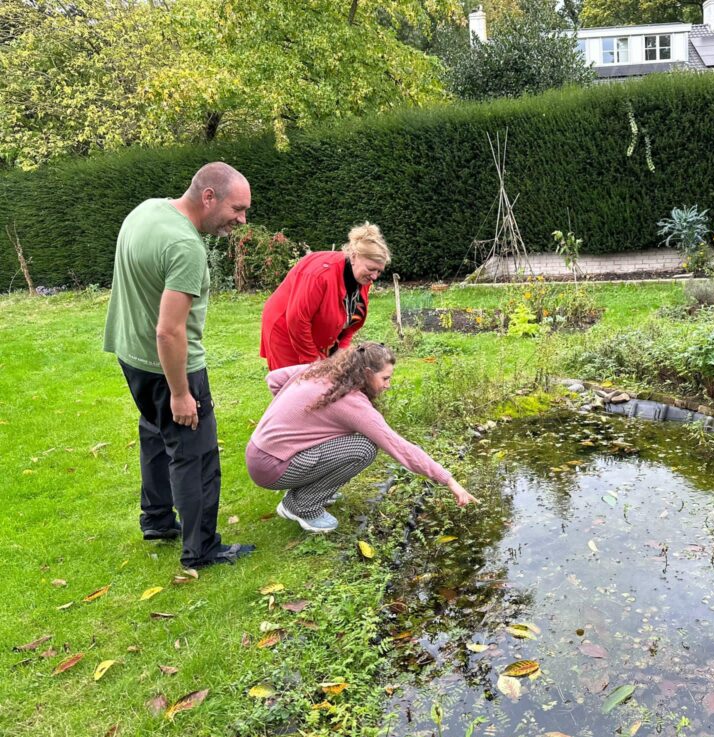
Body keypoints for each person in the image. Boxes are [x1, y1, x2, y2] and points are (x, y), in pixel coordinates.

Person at [103, 162, 255, 568]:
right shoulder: (186, 247)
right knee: (196, 453)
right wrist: (181, 393)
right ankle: (201, 549)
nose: (241, 220)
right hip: (170, 365)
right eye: (237, 209)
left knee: (155, 433)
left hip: (129, 354)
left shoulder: (147, 210)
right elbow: (169, 332)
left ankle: (156, 520)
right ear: (209, 197)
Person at [246, 342, 478, 532]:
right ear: (367, 373)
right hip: (272, 468)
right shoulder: (351, 402)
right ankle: (301, 505)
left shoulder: (323, 371)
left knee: (347, 445)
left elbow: (275, 379)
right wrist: (449, 481)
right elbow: (399, 447)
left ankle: (308, 490)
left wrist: (298, 421)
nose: (388, 385)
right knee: (364, 447)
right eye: (385, 378)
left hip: (259, 452)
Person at [259, 223, 390, 371]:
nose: (374, 277)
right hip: (285, 330)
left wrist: (340, 355)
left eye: (379, 271)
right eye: (371, 269)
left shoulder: (361, 277)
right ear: (353, 256)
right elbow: (297, 320)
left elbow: (350, 321)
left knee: (327, 382)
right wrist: (314, 362)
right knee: (295, 384)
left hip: (316, 330)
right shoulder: (320, 275)